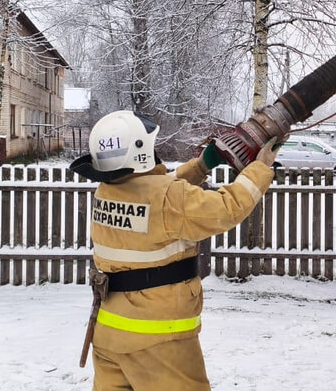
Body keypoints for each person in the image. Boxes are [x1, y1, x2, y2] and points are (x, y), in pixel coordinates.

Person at [70, 110, 281, 390]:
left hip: (109, 334)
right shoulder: (167, 199)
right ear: (140, 150)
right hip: (158, 341)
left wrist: (202, 165)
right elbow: (226, 208)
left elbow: (159, 190)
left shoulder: (107, 191)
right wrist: (260, 168)